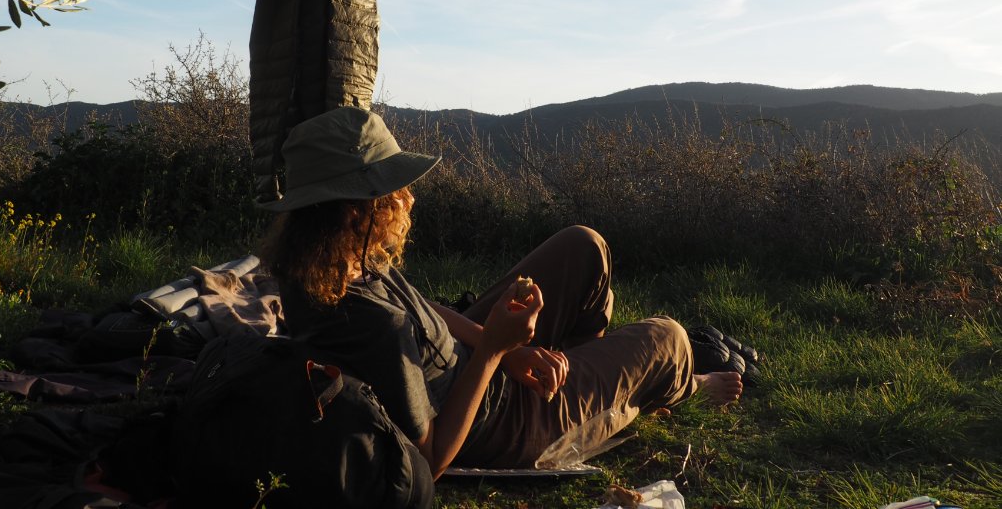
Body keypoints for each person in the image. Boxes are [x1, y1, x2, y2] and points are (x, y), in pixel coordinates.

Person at [258, 107, 741, 478]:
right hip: (497, 421)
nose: (407, 198)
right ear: (354, 211)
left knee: (583, 246)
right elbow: (430, 462)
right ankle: (682, 386)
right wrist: (494, 349)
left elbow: (420, 308)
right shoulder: (374, 326)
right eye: (394, 189)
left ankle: (585, 380)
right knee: (670, 338)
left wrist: (506, 349)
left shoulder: (328, 265)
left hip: (472, 363)